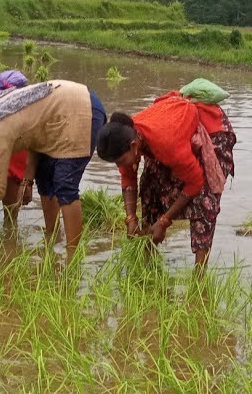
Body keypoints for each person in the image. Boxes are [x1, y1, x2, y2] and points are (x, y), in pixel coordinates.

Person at [0, 80, 106, 258]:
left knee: (65, 185)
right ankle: (53, 240)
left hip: (81, 109)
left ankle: (73, 258)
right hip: (60, 110)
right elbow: (33, 128)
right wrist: (28, 177)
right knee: (45, 178)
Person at [96, 90, 237, 267]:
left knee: (204, 198)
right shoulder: (128, 136)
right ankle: (148, 260)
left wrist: (164, 221)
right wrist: (131, 218)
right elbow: (127, 176)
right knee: (149, 186)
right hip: (173, 129)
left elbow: (195, 182)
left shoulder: (166, 144)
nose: (120, 165)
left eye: (121, 160)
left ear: (134, 146)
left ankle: (200, 275)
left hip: (212, 129)